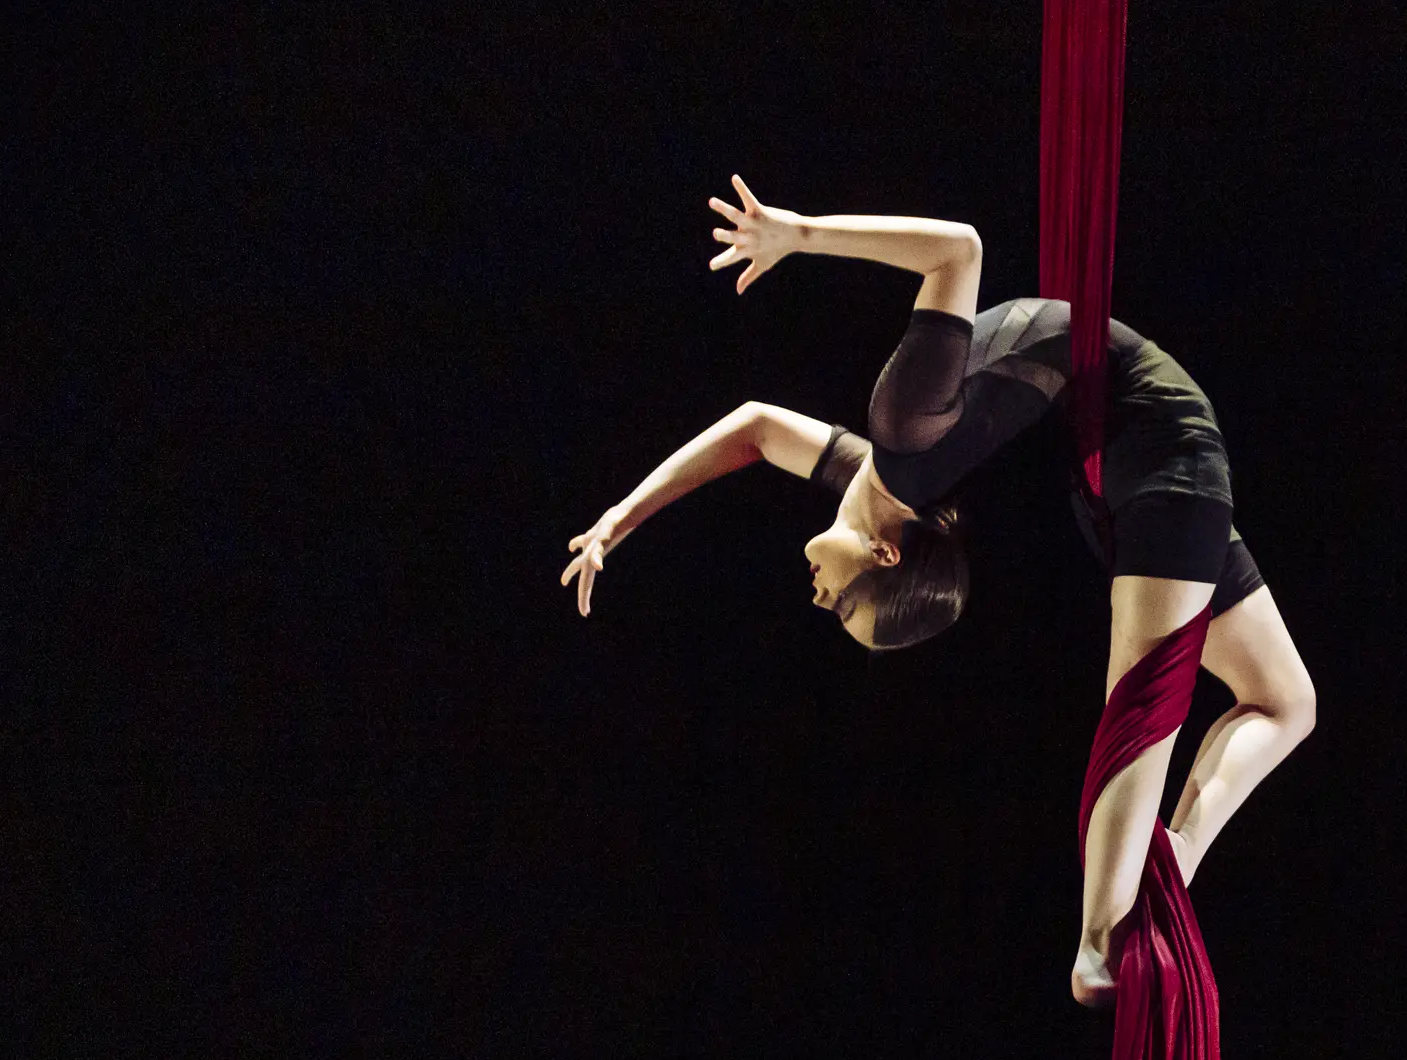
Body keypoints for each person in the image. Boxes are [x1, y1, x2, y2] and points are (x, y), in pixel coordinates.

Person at [561, 177, 1315, 1006]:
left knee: (1284, 701)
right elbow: (959, 252)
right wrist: (796, 237)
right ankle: (1106, 936)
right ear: (884, 552)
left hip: (1131, 453)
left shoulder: (890, 449)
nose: (818, 599)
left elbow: (757, 424)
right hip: (1155, 447)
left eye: (837, 607)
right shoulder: (900, 451)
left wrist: (620, 518)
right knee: (1154, 704)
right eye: (843, 604)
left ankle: (1156, 874)